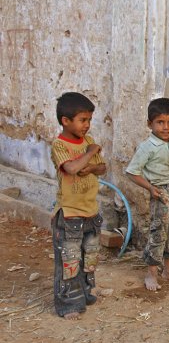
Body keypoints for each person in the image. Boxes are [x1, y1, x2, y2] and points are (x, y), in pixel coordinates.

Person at [51, 92, 107, 320]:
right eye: (83, 120)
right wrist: (90, 153)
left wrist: (91, 166)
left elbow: (102, 167)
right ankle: (68, 304)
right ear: (66, 120)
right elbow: (71, 169)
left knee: (89, 258)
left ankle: (85, 293)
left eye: (89, 120)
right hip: (70, 214)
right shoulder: (60, 144)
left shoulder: (88, 141)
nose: (87, 125)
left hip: (90, 212)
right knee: (69, 260)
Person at [125, 98, 169, 291]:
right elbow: (132, 172)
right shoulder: (147, 147)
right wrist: (151, 188)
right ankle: (151, 273)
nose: (165, 127)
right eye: (160, 122)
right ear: (150, 124)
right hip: (162, 192)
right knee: (158, 232)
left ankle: (168, 271)